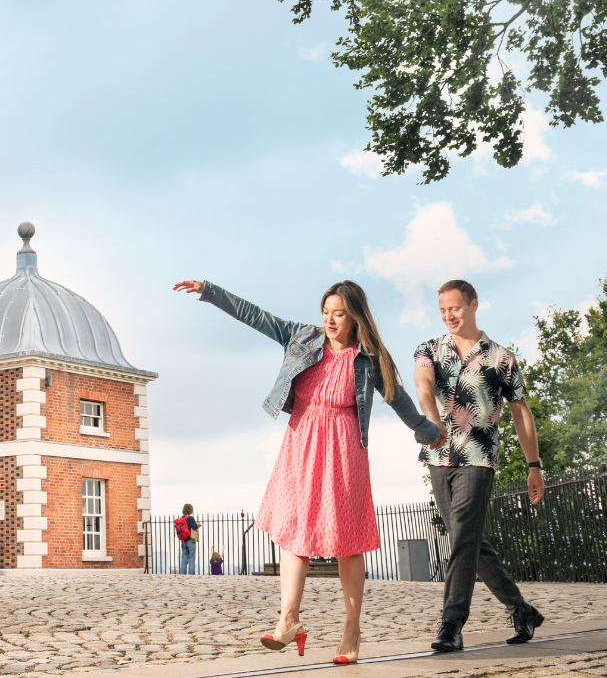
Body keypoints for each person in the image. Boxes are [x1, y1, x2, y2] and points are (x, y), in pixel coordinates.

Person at [174, 279, 442, 663]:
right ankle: (289, 621)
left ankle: (351, 630)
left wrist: (427, 431)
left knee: (347, 541)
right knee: (294, 533)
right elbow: (255, 316)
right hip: (301, 442)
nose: (330, 320)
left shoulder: (367, 359)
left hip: (344, 448)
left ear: (354, 317)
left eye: (339, 314)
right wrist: (208, 290)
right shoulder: (302, 337)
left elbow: (398, 399)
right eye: (326, 312)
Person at [415, 280, 546, 652]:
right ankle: (522, 610)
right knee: (465, 540)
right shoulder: (429, 349)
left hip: (479, 455)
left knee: (463, 540)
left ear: (473, 304)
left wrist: (533, 465)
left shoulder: (501, 358)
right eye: (442, 310)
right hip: (439, 455)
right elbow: (424, 387)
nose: (448, 316)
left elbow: (522, 414)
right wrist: (431, 419)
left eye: (455, 308)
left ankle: (451, 624)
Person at [176, 504, 201, 574]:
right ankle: (191, 576)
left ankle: (182, 574)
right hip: (191, 541)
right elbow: (196, 528)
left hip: (183, 541)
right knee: (191, 559)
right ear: (191, 510)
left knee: (184, 559)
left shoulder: (181, 519)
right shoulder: (190, 518)